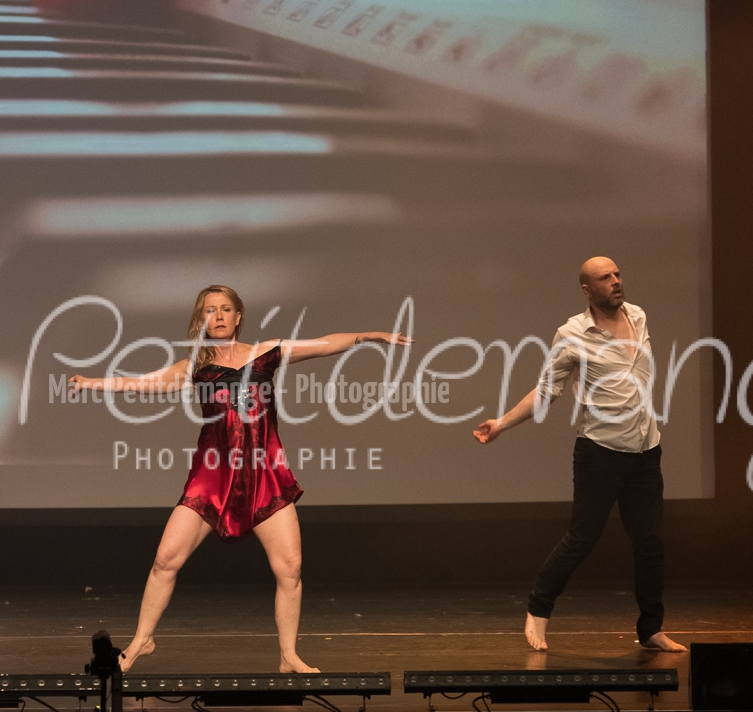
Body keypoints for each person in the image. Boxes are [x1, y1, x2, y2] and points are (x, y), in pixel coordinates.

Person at [70, 285, 409, 673]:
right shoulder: (196, 367)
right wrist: (94, 383)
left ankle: (288, 656)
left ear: (238, 316)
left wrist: (368, 336)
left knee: (289, 568)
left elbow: (323, 345)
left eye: (225, 309)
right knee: (165, 560)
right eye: (209, 310)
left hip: (265, 477)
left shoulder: (266, 353)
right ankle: (141, 642)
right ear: (201, 319)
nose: (217, 316)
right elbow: (145, 382)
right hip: (212, 479)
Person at [473, 257, 685, 653]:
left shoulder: (638, 316)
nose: (616, 281)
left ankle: (651, 629)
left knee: (650, 543)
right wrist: (501, 423)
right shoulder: (572, 334)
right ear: (587, 289)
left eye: (617, 274)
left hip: (645, 450)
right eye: (605, 278)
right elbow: (546, 391)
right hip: (600, 453)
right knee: (582, 538)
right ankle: (538, 608)